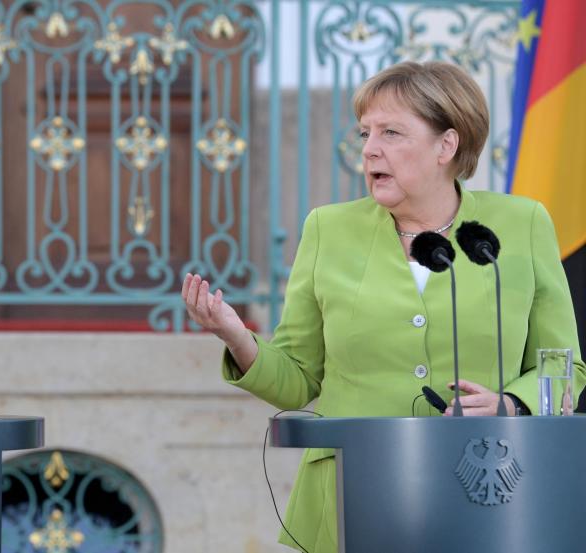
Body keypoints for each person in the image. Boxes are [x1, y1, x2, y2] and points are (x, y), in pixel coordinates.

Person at [181, 61, 585, 553]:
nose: (370, 148)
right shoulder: (327, 229)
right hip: (352, 500)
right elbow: (296, 379)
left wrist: (512, 403)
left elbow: (563, 367)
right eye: (366, 132)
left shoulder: (522, 224)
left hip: (487, 493)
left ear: (447, 145)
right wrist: (236, 337)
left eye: (391, 132)